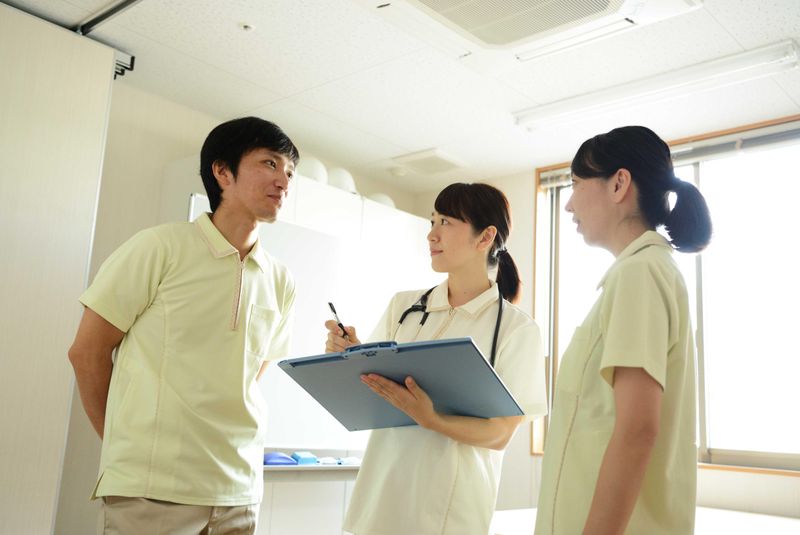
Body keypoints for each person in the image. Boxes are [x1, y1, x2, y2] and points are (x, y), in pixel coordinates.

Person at [67, 116, 299, 534]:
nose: (283, 180)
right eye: (269, 163)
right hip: (153, 487)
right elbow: (87, 352)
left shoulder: (281, 280)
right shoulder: (159, 247)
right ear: (222, 171)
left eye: (289, 171)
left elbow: (250, 375)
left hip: (239, 490)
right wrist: (125, 447)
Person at [325, 182, 548, 535]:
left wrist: (432, 419)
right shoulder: (404, 307)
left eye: (446, 222)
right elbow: (373, 391)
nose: (431, 234)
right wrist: (350, 354)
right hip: (383, 497)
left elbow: (500, 433)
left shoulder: (517, 330)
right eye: (432, 221)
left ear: (485, 237)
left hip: (450, 512)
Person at [535, 126, 712, 535]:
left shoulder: (640, 273)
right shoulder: (645, 270)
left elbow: (637, 430)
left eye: (576, 184)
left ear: (618, 184)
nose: (569, 204)